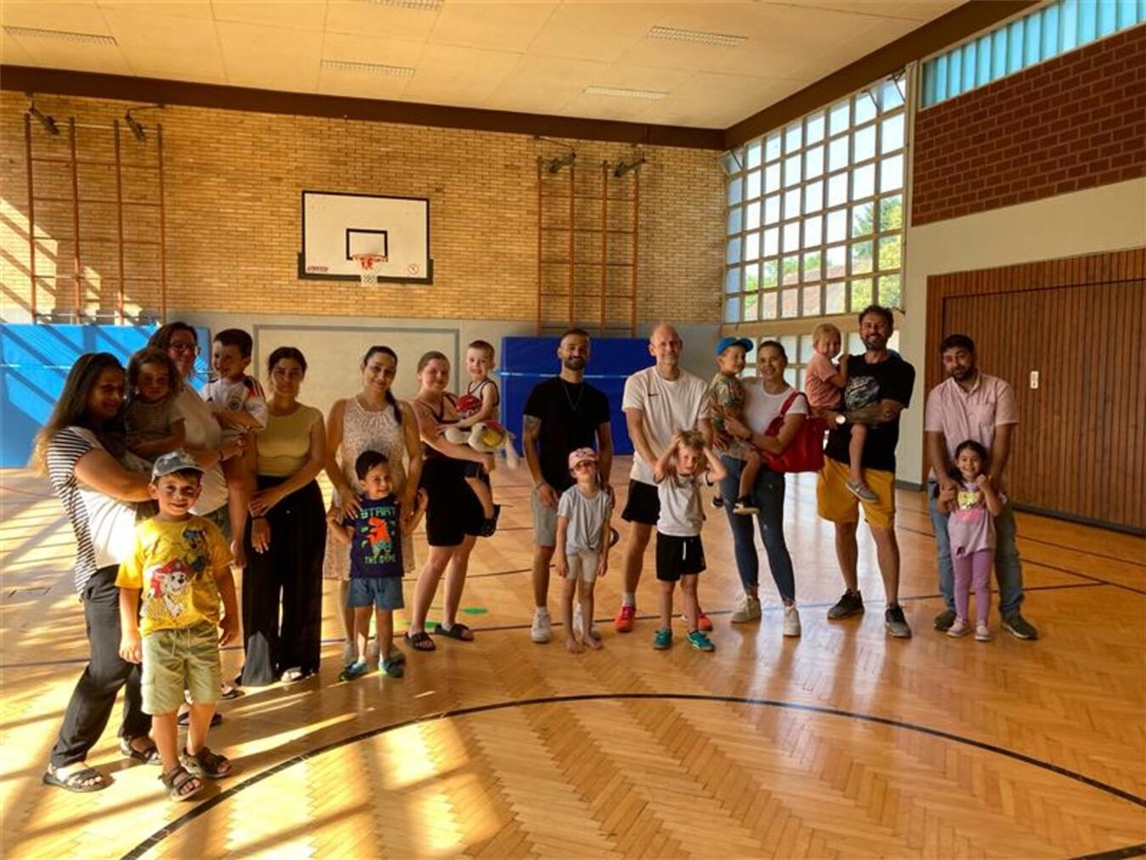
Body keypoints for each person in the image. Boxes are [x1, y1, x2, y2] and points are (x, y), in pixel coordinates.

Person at [32, 353, 155, 793]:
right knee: (109, 667)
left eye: (120, 389)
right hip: (106, 572)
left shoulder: (106, 438)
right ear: (81, 388)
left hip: (145, 565)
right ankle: (65, 758)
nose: (115, 396)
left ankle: (135, 734)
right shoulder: (68, 439)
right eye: (106, 387)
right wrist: (182, 479)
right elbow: (126, 487)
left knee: (148, 658)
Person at [116, 451, 238, 801]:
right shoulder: (144, 534)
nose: (179, 495)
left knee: (206, 696)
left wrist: (233, 614)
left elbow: (222, 574)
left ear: (198, 493)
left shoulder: (206, 530)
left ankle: (195, 750)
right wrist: (130, 631)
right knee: (164, 704)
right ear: (153, 490)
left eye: (188, 489)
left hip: (201, 628)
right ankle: (170, 768)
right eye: (170, 487)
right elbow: (128, 586)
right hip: (159, 634)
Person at [924, 334, 1038, 640]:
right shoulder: (938, 395)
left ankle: (1012, 613)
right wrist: (945, 480)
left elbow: (1003, 438)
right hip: (949, 483)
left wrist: (992, 481)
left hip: (987, 485)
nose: (955, 364)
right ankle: (955, 609)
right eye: (948, 359)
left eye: (960, 356)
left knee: (1005, 549)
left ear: (973, 356)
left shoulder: (999, 389)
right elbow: (934, 439)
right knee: (949, 550)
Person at [817, 305, 916, 638]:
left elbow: (887, 411)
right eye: (868, 325)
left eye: (880, 325)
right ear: (860, 331)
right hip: (836, 459)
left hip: (877, 463)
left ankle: (892, 604)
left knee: (883, 533)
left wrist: (845, 417)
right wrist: (842, 417)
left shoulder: (902, 371)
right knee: (843, 529)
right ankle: (852, 593)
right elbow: (825, 411)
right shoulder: (848, 365)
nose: (873, 329)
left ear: (889, 330)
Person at [323, 346, 423, 663]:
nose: (381, 376)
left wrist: (408, 496)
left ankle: (383, 642)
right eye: (376, 368)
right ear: (362, 366)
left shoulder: (403, 410)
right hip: (352, 504)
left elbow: (417, 455)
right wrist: (343, 489)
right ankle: (353, 642)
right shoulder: (342, 409)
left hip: (389, 504)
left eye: (389, 371)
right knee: (350, 574)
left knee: (385, 573)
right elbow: (326, 455)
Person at [615, 323, 711, 634]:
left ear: (680, 346)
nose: (668, 348)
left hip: (684, 479)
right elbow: (635, 428)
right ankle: (628, 602)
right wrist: (656, 463)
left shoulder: (697, 386)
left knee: (686, 541)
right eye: (662, 344)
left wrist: (693, 467)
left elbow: (704, 430)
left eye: (673, 343)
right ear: (652, 349)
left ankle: (690, 605)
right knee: (639, 539)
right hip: (648, 475)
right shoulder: (638, 382)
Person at [239, 346, 327, 685]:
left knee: (301, 582)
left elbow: (316, 462)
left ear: (302, 376)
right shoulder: (255, 415)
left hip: (302, 500)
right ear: (269, 375)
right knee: (260, 583)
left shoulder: (312, 416)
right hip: (259, 500)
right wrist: (259, 513)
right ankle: (258, 665)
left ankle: (299, 659)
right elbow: (248, 468)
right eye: (280, 372)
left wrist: (280, 493)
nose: (287, 379)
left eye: (294, 372)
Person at [521, 328, 613, 644]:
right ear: (559, 352)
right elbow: (528, 440)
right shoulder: (541, 392)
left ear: (589, 353)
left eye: (583, 348)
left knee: (586, 550)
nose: (577, 352)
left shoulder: (598, 398)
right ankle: (541, 612)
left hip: (586, 488)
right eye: (571, 347)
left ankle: (580, 614)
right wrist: (540, 483)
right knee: (546, 549)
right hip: (551, 486)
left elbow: (606, 444)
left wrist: (604, 482)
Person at [406, 351, 493, 652]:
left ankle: (448, 621)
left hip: (466, 480)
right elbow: (439, 443)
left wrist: (493, 439)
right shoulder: (414, 408)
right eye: (433, 372)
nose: (439, 377)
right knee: (439, 557)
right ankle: (415, 626)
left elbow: (475, 432)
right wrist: (480, 456)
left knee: (462, 553)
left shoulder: (454, 399)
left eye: (444, 372)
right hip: (440, 481)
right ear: (420, 373)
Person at [718, 340, 807, 637]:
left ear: (784, 361)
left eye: (774, 359)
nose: (767, 365)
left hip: (768, 472)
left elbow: (779, 444)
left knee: (772, 538)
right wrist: (715, 433)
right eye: (763, 360)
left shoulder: (795, 399)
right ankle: (751, 598)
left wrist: (746, 434)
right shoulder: (745, 385)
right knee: (741, 535)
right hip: (732, 466)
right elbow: (719, 407)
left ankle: (789, 607)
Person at [148, 323, 245, 568]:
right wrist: (224, 452)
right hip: (191, 511)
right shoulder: (158, 399)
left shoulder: (190, 391)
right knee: (187, 592)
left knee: (209, 593)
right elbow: (173, 460)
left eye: (192, 347)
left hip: (218, 507)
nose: (187, 352)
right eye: (178, 346)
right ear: (160, 349)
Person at [327, 451, 425, 681]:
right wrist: (331, 522)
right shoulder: (357, 506)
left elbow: (406, 529)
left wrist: (421, 509)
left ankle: (384, 657)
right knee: (362, 616)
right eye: (376, 479)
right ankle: (360, 659)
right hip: (361, 575)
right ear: (363, 483)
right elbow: (347, 538)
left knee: (385, 617)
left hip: (389, 574)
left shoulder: (395, 503)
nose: (384, 483)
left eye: (387, 477)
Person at [650, 431, 726, 652]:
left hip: (691, 538)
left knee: (690, 586)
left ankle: (694, 632)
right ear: (676, 455)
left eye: (694, 459)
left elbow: (721, 473)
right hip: (668, 538)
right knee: (666, 587)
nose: (690, 463)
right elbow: (657, 469)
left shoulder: (697, 478)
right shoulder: (667, 477)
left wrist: (705, 451)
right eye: (685, 457)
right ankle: (665, 629)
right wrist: (671, 449)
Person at [201, 328, 267, 560]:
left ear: (246, 361)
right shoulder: (208, 386)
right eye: (217, 355)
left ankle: (237, 540)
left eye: (229, 357)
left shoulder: (249, 386)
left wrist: (225, 416)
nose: (221, 362)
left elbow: (259, 420)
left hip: (236, 441)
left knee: (238, 486)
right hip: (211, 443)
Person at [938, 440, 1004, 642]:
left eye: (975, 460)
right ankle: (961, 619)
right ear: (957, 463)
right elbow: (943, 509)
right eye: (964, 459)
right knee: (961, 582)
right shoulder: (952, 485)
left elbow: (996, 510)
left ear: (983, 462)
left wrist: (986, 489)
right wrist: (942, 498)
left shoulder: (989, 485)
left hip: (983, 543)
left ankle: (982, 623)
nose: (969, 464)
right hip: (960, 542)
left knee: (982, 583)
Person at [804, 322, 876, 503]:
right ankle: (855, 478)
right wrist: (843, 362)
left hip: (831, 408)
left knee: (853, 432)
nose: (832, 348)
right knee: (860, 429)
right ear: (816, 346)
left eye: (836, 344)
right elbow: (842, 382)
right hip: (824, 410)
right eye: (826, 344)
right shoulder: (820, 360)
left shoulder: (825, 362)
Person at [554, 448, 613, 653]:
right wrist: (560, 556)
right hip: (571, 551)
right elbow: (561, 530)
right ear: (573, 472)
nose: (584, 468)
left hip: (591, 552)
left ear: (596, 466)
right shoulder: (569, 497)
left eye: (588, 464)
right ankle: (569, 635)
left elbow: (606, 530)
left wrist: (604, 557)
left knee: (587, 592)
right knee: (568, 592)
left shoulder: (604, 499)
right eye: (579, 466)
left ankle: (586, 632)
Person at [706, 336, 761, 515]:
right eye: (735, 357)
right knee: (755, 457)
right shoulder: (725, 384)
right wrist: (745, 436)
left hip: (725, 432)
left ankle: (720, 495)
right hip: (726, 435)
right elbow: (730, 418)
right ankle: (743, 499)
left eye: (743, 357)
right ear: (721, 360)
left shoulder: (732, 381)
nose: (741, 361)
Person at [453, 339, 502, 533]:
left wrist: (460, 424)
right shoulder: (469, 387)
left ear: (492, 364)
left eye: (482, 361)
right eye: (472, 360)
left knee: (471, 477)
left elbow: (483, 413)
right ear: (466, 363)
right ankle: (479, 508)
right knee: (476, 477)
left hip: (486, 438)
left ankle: (490, 514)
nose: (476, 365)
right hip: (473, 437)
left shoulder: (488, 387)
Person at [123, 348, 185, 466]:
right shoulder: (128, 406)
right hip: (135, 457)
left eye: (162, 379)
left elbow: (179, 439)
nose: (155, 385)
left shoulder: (169, 407)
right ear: (135, 380)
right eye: (147, 379)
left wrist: (152, 446)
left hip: (166, 459)